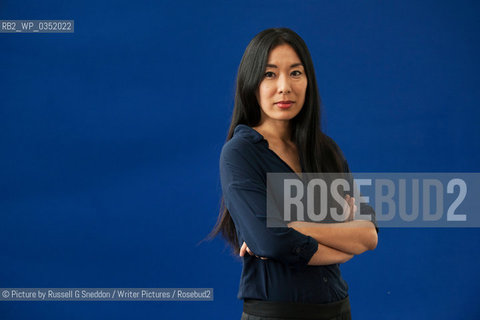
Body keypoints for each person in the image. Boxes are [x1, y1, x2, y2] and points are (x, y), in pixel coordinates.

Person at [209, 28, 378, 320]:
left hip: (338, 309)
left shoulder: (325, 150)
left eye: (295, 73)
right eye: (270, 74)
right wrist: (343, 244)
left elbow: (368, 233)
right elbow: (271, 242)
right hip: (278, 313)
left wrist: (292, 224)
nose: (284, 87)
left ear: (308, 80)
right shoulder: (240, 153)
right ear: (252, 84)